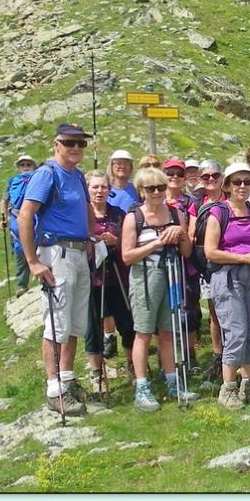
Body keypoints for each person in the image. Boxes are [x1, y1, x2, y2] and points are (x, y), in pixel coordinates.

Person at [18, 123, 94, 417]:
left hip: (78, 252)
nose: (76, 148)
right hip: (57, 253)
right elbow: (26, 214)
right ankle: (54, 390)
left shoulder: (78, 175)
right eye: (69, 142)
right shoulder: (46, 174)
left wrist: (90, 237)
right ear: (56, 144)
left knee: (74, 322)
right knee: (56, 323)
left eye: (80, 143)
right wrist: (33, 261)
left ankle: (68, 379)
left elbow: (86, 208)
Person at [121, 167, 197, 412]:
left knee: (167, 331)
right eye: (151, 188)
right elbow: (127, 256)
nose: (156, 192)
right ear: (141, 191)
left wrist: (181, 233)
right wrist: (157, 242)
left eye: (161, 187)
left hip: (172, 274)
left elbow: (186, 251)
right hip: (145, 276)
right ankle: (142, 387)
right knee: (143, 332)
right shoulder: (134, 217)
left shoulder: (175, 214)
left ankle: (173, 381)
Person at [203, 163, 250, 409]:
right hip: (227, 278)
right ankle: (228, 388)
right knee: (236, 331)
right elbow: (211, 252)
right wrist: (243, 258)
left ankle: (248, 384)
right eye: (237, 182)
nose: (242, 186)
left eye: (247, 181)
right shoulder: (218, 213)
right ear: (228, 185)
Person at [84, 170, 136, 390]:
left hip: (118, 277)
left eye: (103, 187)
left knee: (127, 324)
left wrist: (116, 240)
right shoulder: (82, 214)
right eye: (95, 187)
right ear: (87, 189)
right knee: (93, 329)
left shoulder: (118, 214)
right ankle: (97, 376)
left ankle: (134, 367)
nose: (99, 191)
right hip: (91, 280)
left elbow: (130, 239)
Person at [187, 159, 227, 380]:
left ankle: (232, 355)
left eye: (215, 175)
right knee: (214, 312)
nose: (211, 179)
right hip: (207, 263)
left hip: (229, 257)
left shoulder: (230, 199)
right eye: (206, 176)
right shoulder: (196, 203)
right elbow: (192, 233)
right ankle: (218, 356)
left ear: (222, 177)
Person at [163, 158, 200, 368]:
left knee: (188, 308)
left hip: (186, 261)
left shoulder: (190, 202)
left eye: (179, 173)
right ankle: (167, 358)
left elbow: (192, 231)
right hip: (161, 260)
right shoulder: (154, 198)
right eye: (170, 173)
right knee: (163, 308)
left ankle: (189, 354)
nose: (175, 177)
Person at [102, 149, 138, 357]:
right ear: (112, 166)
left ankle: (132, 336)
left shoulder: (135, 190)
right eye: (117, 163)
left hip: (130, 246)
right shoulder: (107, 189)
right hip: (108, 248)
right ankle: (109, 335)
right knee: (107, 293)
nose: (121, 167)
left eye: (125, 163)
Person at [0, 154, 37, 297]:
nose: (25, 167)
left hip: (36, 217)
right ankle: (22, 285)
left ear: (33, 166)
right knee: (20, 250)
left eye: (28, 164)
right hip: (17, 219)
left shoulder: (39, 179)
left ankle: (44, 280)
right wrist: (3, 218)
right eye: (22, 165)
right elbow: (4, 201)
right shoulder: (12, 182)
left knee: (41, 248)